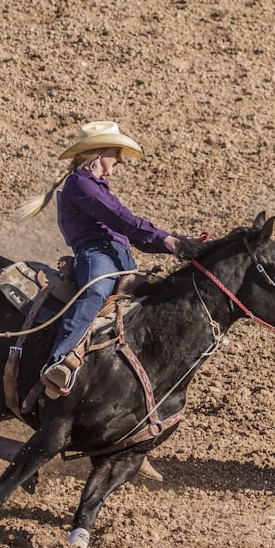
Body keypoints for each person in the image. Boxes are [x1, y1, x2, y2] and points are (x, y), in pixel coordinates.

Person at [18, 121, 191, 398]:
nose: (121, 160)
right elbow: (122, 220)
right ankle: (59, 361)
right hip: (97, 256)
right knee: (96, 292)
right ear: (98, 153)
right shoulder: (80, 184)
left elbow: (129, 227)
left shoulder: (95, 187)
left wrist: (174, 239)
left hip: (119, 257)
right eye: (116, 152)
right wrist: (170, 242)